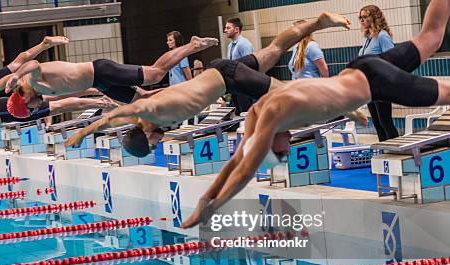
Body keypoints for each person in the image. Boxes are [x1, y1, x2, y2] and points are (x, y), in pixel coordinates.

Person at [181, 0, 450, 229]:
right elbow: (236, 162)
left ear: (270, 139)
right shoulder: (259, 111)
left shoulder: (273, 115)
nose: (286, 150)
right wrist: (206, 200)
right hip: (362, 69)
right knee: (432, 37)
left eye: (280, 152)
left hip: (375, 83)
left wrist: (212, 207)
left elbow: (244, 172)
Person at [63, 12, 351, 157]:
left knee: (287, 95)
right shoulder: (153, 113)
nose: (157, 145)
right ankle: (319, 22)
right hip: (223, 76)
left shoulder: (148, 112)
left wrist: (83, 133)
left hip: (227, 77)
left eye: (151, 146)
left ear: (144, 135)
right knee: (276, 48)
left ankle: (344, 104)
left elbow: (112, 116)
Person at [0, 36, 220, 113]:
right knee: (143, 100)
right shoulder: (40, 93)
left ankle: (192, 45)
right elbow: (73, 95)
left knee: (156, 74)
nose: (33, 109)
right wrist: (96, 97)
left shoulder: (30, 79)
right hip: (101, 84)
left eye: (29, 108)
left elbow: (34, 64)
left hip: (101, 69)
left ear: (23, 99)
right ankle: (188, 89)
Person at [359, 5, 397, 141]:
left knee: (385, 122)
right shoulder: (369, 38)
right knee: (377, 123)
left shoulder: (382, 36)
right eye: (360, 17)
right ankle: (385, 154)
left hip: (381, 87)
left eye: (365, 17)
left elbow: (392, 61)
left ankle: (396, 153)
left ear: (374, 17)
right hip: (369, 88)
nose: (362, 20)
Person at [224, 17, 256, 116]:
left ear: (236, 29)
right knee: (237, 114)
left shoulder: (244, 44)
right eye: (225, 28)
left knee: (246, 114)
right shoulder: (230, 46)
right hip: (235, 86)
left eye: (228, 28)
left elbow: (250, 65)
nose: (225, 30)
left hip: (243, 85)